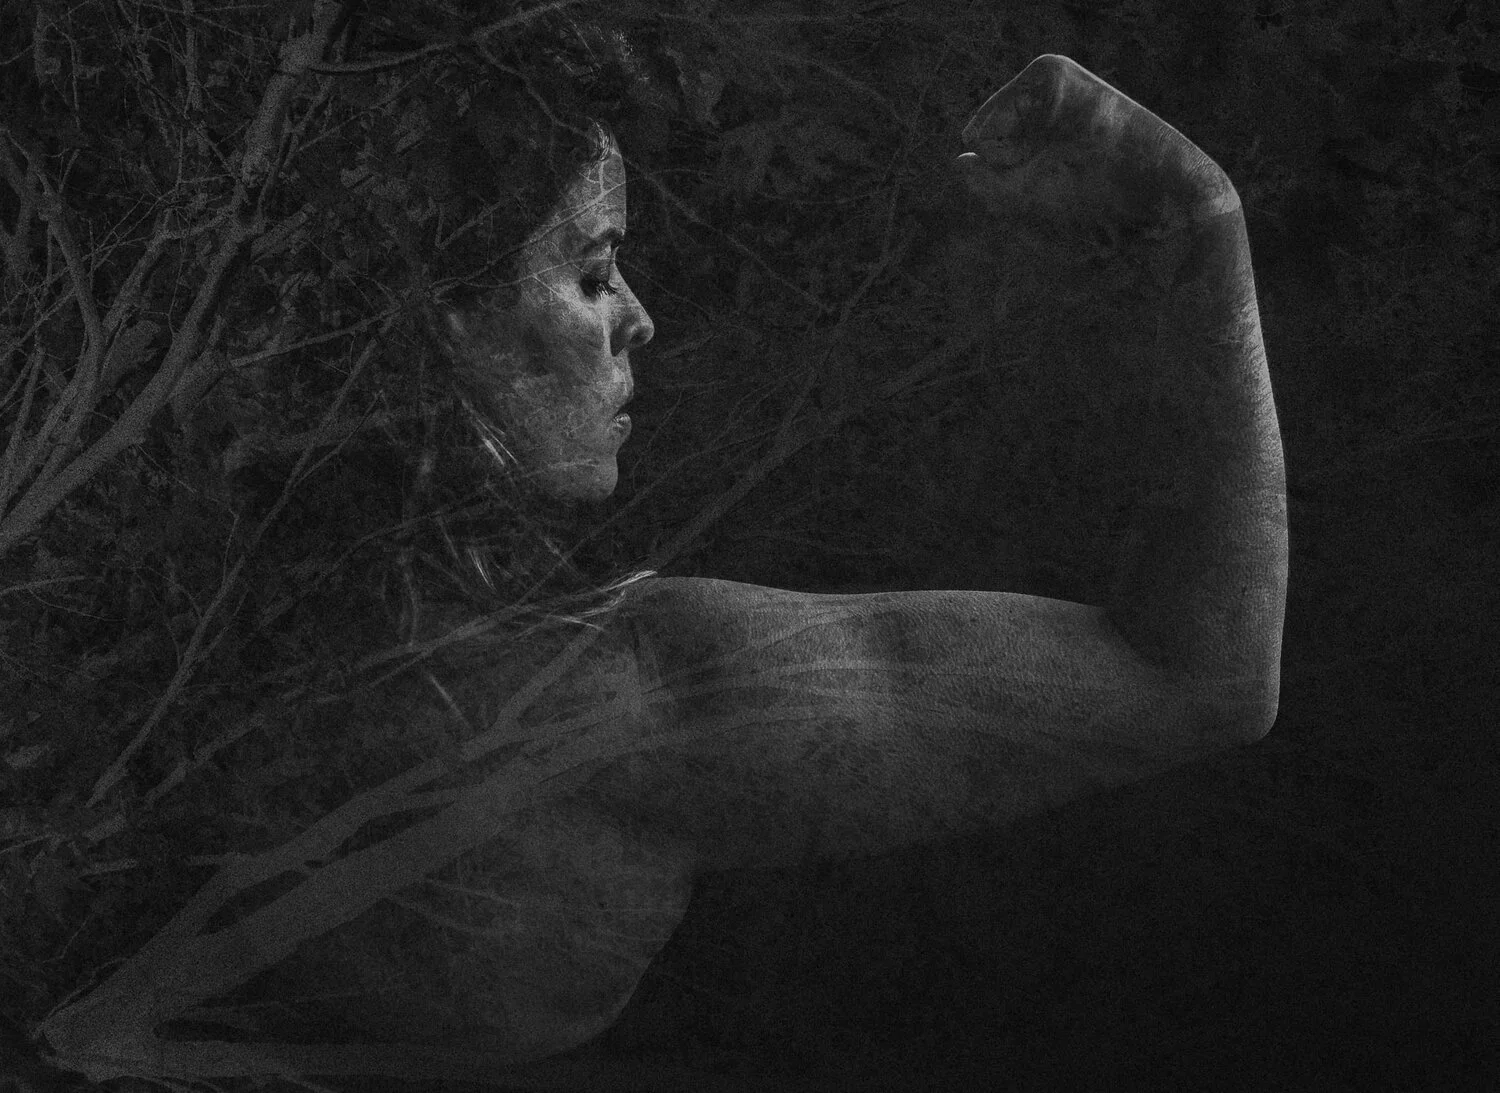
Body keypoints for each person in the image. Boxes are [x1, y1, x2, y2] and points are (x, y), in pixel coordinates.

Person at [43, 45, 1284, 1088]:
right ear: (438, 320)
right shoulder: (612, 705)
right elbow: (1193, 673)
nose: (638, 316)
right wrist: (1200, 226)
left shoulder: (101, 601)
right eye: (592, 270)